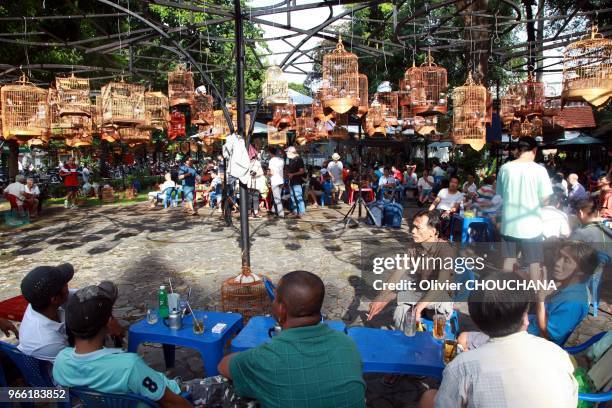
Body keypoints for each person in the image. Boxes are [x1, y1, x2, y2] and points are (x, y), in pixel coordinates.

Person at [420, 272, 578, 408]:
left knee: (429, 398)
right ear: (526, 319)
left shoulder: (461, 368)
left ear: (477, 322)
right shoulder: (558, 355)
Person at [218, 271, 365, 408]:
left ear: (282, 309)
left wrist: (250, 356)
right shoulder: (347, 343)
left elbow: (223, 366)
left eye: (275, 298)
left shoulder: (266, 357)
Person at [53, 282, 191, 408]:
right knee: (208, 385)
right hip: (168, 393)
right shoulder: (130, 366)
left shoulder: (61, 361)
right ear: (109, 322)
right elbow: (170, 401)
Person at [458, 242, 599, 351]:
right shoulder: (570, 287)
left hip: (529, 342)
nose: (558, 263)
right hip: (522, 329)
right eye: (559, 256)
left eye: (566, 260)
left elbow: (549, 335)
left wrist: (540, 298)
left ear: (581, 270)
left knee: (463, 338)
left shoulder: (574, 301)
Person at [496, 136, 552, 336]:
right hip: (531, 226)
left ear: (518, 149)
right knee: (535, 268)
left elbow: (501, 195)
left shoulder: (506, 168)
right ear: (535, 150)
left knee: (508, 263)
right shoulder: (540, 171)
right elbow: (545, 200)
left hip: (510, 223)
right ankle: (539, 311)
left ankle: (502, 302)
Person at [368, 210, 455, 329]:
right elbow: (398, 273)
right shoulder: (414, 246)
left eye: (418, 228)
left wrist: (418, 308)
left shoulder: (446, 250)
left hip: (439, 299)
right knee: (399, 315)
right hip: (419, 292)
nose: (413, 231)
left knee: (398, 298)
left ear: (433, 232)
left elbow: (441, 284)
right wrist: (381, 296)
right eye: (413, 226)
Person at [18, 264, 75, 362]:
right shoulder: (47, 341)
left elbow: (78, 294)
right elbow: (77, 369)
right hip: (58, 372)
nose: (68, 286)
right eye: (65, 284)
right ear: (55, 299)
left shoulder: (38, 302)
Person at [285, 146, 306, 218]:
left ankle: (301, 212)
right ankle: (295, 211)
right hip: (292, 181)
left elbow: (302, 171)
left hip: (297, 181)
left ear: (291, 152)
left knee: (298, 196)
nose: (286, 153)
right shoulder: (291, 160)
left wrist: (292, 174)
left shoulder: (299, 159)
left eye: (287, 151)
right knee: (293, 197)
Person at [268, 146, 285, 218]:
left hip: (274, 180)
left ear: (270, 153)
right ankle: (273, 210)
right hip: (281, 180)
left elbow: (271, 172)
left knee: (277, 198)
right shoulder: (281, 160)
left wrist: (267, 173)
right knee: (277, 197)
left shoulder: (271, 161)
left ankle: (281, 214)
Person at [248, 153, 265, 219]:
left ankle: (256, 212)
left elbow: (261, 172)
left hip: (256, 182)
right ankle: (249, 213)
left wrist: (255, 174)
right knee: (249, 199)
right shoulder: (246, 162)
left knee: (256, 198)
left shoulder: (257, 162)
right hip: (249, 182)